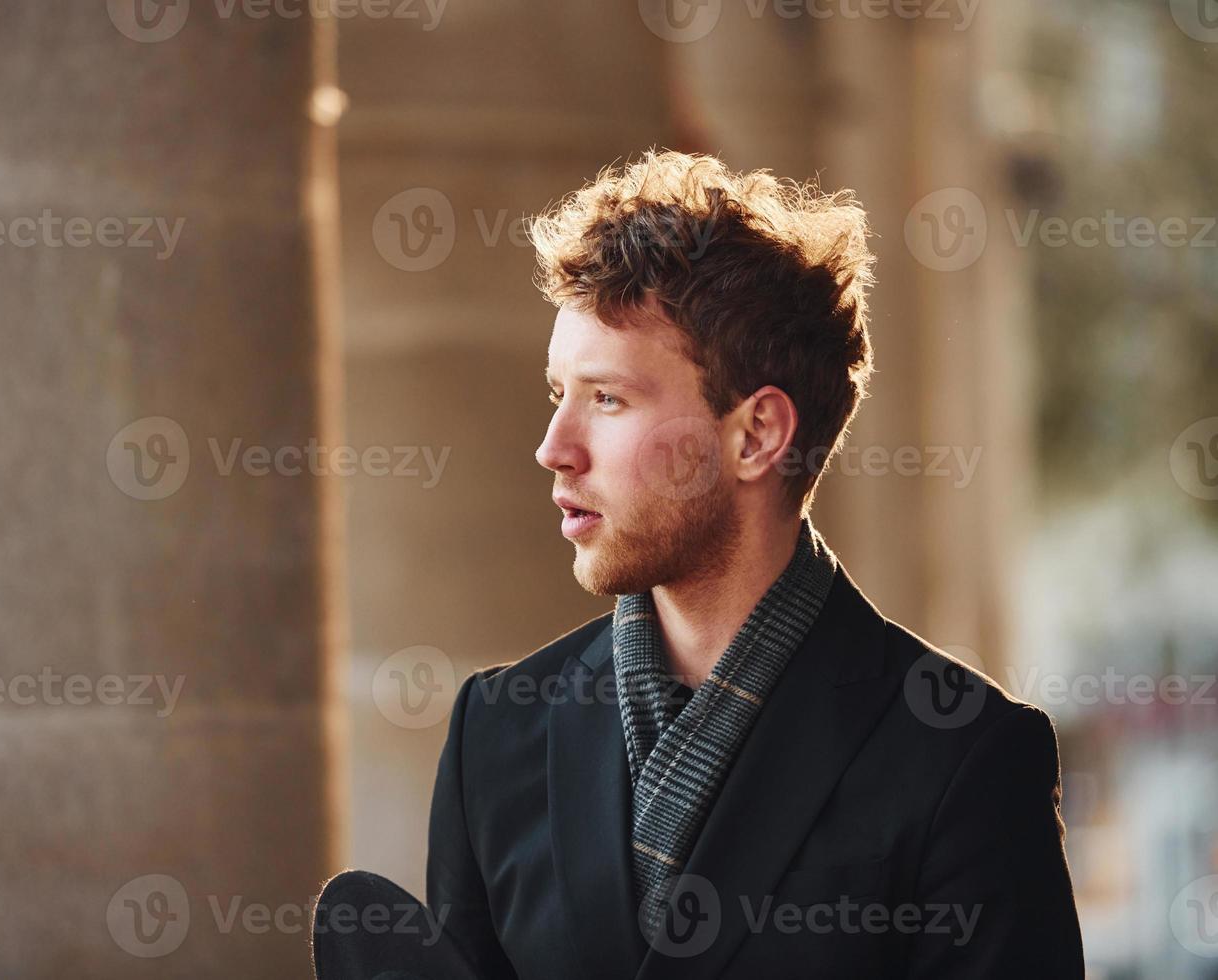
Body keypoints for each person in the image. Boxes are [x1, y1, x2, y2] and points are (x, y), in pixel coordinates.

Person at [422, 150, 1085, 979]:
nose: (555, 448)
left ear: (756, 435)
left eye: (608, 399)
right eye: (559, 392)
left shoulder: (963, 763)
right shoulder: (496, 731)